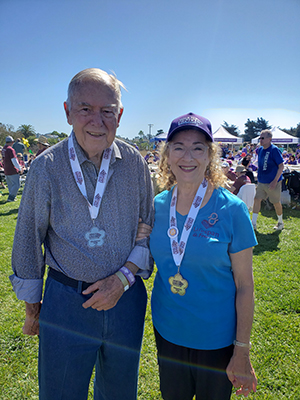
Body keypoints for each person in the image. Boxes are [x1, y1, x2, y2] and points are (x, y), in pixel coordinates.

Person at [10, 68, 154, 400]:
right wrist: (34, 309)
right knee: (61, 392)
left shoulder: (135, 163)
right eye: (85, 109)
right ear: (67, 112)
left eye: (107, 111)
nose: (97, 120)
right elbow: (29, 238)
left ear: (119, 115)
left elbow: (146, 228)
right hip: (66, 302)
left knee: (119, 393)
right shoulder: (46, 166)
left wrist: (122, 280)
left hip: (126, 299)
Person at [149, 113, 257, 400]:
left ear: (210, 156)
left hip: (216, 338)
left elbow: (245, 285)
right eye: (179, 147)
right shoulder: (156, 206)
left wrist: (242, 349)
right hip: (168, 330)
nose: (188, 156)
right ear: (167, 155)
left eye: (198, 147)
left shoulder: (232, 209)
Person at [251, 130, 284, 230]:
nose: (260, 140)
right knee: (257, 199)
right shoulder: (260, 150)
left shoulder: (274, 150)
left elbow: (281, 166)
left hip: (273, 181)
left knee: (276, 202)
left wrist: (275, 181)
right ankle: (253, 224)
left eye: (262, 138)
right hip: (262, 181)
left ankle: (280, 222)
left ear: (270, 139)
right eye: (259, 138)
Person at [1, 136, 23, 202]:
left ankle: (12, 197)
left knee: (10, 185)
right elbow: (14, 160)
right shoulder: (10, 149)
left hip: (6, 169)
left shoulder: (3, 149)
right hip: (12, 170)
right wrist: (19, 168)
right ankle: (11, 197)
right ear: (12, 142)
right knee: (16, 184)